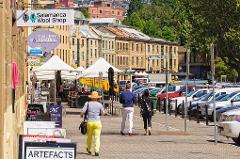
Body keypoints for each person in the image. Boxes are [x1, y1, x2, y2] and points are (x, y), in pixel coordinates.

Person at [80, 91, 105, 156]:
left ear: (91, 97)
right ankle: (96, 151)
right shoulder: (100, 104)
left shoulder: (87, 103)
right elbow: (103, 113)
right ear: (97, 98)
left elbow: (83, 111)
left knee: (89, 137)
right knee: (97, 137)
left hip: (90, 122)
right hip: (97, 122)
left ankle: (89, 149)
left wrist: (81, 115)